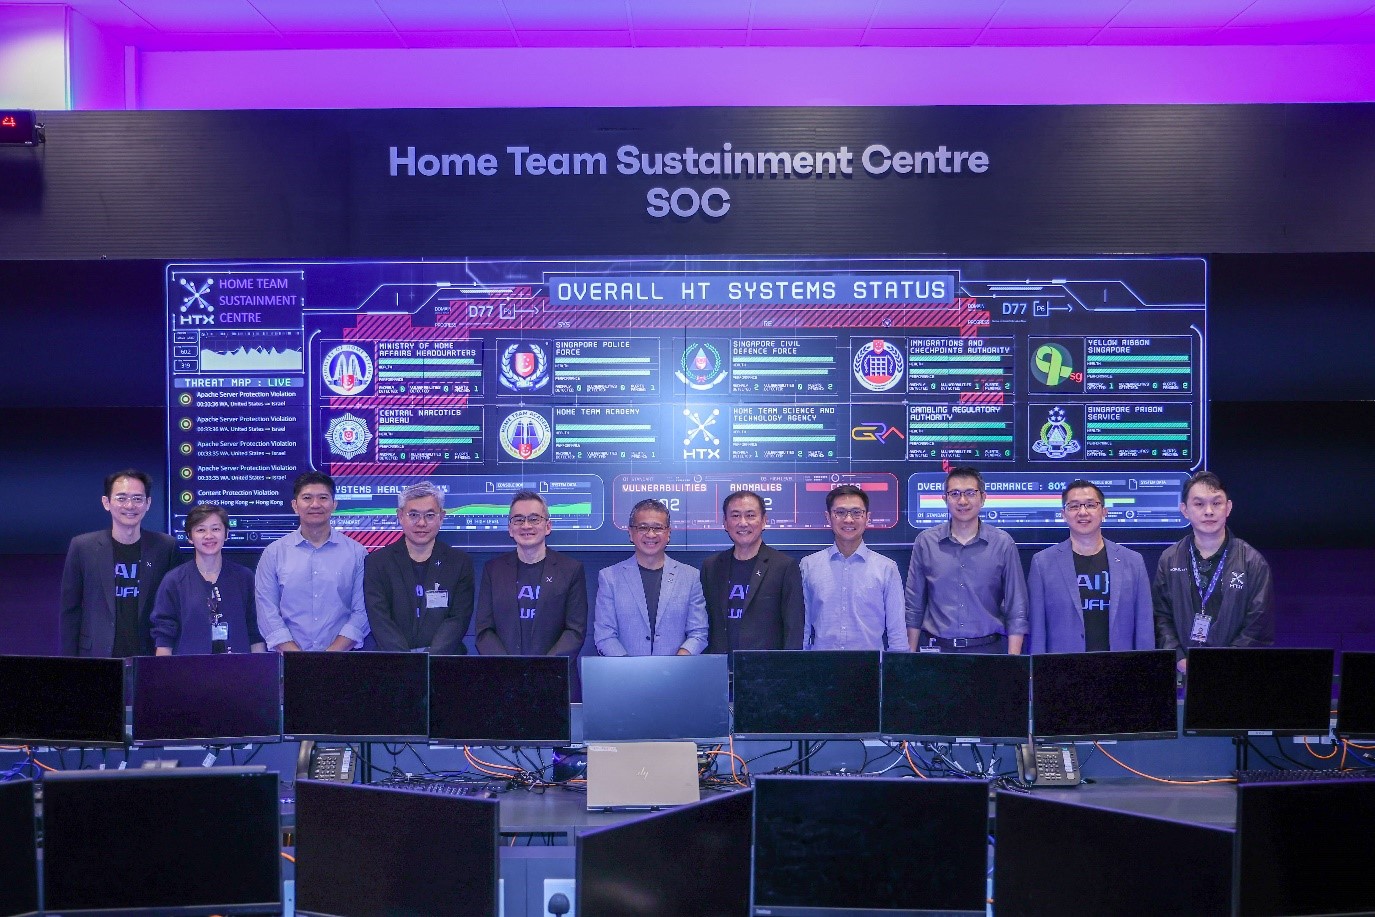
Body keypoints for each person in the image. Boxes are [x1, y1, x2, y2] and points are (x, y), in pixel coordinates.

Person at [1153, 470, 1274, 670]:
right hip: (1186, 672)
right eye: (1199, 504)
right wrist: (1179, 658)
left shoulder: (1252, 561)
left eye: (1216, 503)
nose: (1208, 511)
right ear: (1184, 510)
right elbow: (1161, 616)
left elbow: (1259, 625)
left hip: (1238, 672)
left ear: (1228, 508)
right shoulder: (1169, 559)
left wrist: (1223, 663)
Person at [905, 466, 1028, 654]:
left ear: (983, 498)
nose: (962, 500)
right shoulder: (926, 542)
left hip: (989, 653)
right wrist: (909, 659)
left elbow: (1016, 608)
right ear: (945, 499)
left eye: (970, 493)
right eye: (955, 493)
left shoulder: (1003, 544)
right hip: (936, 653)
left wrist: (1014, 662)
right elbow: (913, 607)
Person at [59, 469, 180, 657]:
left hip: (148, 656)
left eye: (138, 499)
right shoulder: (82, 547)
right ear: (106, 503)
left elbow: (173, 609)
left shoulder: (165, 547)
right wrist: (68, 663)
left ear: (148, 503)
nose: (130, 505)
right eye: (121, 498)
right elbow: (70, 611)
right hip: (96, 656)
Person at [1027, 480, 1153, 653]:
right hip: (1063, 671)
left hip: (1120, 670)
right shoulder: (1042, 563)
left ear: (1104, 512)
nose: (1083, 512)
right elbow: (1037, 631)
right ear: (1063, 514)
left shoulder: (1133, 561)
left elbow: (1144, 627)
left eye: (1090, 505)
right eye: (1074, 506)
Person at [255, 471, 369, 652]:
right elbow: (267, 613)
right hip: (287, 664)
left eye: (323, 498)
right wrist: (297, 659)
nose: (315, 504)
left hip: (341, 663)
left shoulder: (357, 553)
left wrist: (329, 656)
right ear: (295, 505)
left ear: (334, 505)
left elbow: (361, 613)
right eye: (307, 498)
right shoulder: (273, 553)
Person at [363, 481, 474, 654]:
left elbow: (458, 619)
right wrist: (409, 663)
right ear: (400, 516)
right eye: (413, 515)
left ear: (442, 517)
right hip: (393, 663)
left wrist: (430, 659)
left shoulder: (460, 563)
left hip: (445, 663)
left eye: (430, 515)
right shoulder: (377, 563)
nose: (421, 523)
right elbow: (380, 620)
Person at [475, 490, 587, 657]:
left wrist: (543, 667)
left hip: (554, 676)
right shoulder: (493, 570)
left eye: (534, 519)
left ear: (548, 526)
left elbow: (575, 631)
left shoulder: (571, 570)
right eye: (519, 519)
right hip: (504, 675)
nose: (526, 526)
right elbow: (484, 631)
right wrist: (509, 666)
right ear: (510, 529)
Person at [593, 499, 707, 656]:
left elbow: (698, 633)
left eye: (658, 528)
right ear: (631, 533)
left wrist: (678, 663)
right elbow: (605, 635)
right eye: (643, 527)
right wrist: (632, 670)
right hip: (625, 676)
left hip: (677, 674)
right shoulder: (609, 578)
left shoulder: (690, 577)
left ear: (668, 533)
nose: (651, 534)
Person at [799, 484, 906, 651]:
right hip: (821, 667)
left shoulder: (886, 568)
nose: (848, 519)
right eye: (840, 513)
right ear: (828, 517)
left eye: (856, 513)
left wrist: (897, 670)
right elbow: (802, 627)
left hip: (870, 670)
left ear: (867, 517)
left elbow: (897, 631)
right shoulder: (809, 565)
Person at [150, 504, 265, 654]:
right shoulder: (174, 581)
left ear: (227, 534)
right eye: (201, 530)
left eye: (216, 529)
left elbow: (255, 633)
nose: (209, 536)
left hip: (238, 671)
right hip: (188, 673)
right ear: (190, 537)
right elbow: (164, 639)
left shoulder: (244, 578)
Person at [700, 490, 804, 654]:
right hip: (718, 669)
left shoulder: (784, 566)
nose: (742, 523)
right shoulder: (711, 567)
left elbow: (794, 629)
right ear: (725, 523)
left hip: (766, 671)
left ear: (764, 521)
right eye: (735, 516)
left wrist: (787, 672)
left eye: (750, 515)